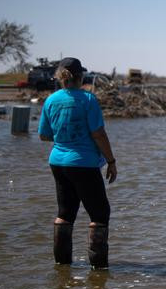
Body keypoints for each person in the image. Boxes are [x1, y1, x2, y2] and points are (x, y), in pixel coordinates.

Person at [38, 57, 117, 268]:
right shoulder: (88, 100)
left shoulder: (51, 100)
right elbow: (98, 134)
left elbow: (44, 135)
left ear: (60, 77)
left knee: (65, 213)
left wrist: (65, 135)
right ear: (80, 76)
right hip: (84, 164)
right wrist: (111, 161)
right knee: (100, 214)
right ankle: (99, 270)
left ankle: (62, 268)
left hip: (58, 163)